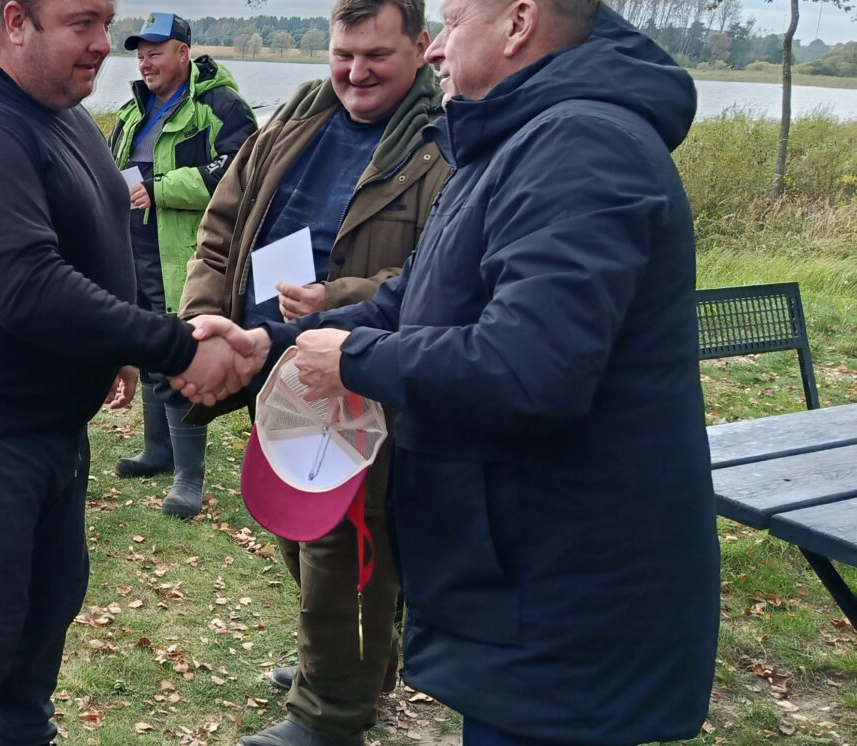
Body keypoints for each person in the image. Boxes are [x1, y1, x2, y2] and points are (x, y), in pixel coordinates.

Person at [183, 0, 721, 743]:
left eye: (454, 20)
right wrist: (268, 343)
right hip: (516, 574)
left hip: (564, 585)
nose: (435, 50)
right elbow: (409, 301)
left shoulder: (580, 147)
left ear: (519, 22)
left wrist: (354, 360)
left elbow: (530, 368)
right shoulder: (511, 139)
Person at [0, 0, 255, 743]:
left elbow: (90, 237)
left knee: (46, 613)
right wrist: (177, 348)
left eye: (106, 21)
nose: (103, 44)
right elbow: (28, 285)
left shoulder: (64, 114)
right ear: (17, 22)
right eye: (81, 23)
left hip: (50, 424)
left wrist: (115, 346)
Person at [177, 1, 450, 744]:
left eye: (377, 56)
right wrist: (203, 325)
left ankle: (329, 711)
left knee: (344, 537)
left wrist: (340, 298)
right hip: (268, 358)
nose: (355, 73)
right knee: (296, 525)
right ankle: (353, 665)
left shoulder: (441, 143)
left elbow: (439, 277)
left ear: (421, 46)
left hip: (360, 370)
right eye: (343, 54)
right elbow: (220, 231)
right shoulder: (296, 117)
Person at [109, 12, 257, 519]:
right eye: (140, 54)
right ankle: (158, 451)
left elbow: (241, 172)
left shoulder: (221, 105)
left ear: (183, 53)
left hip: (187, 257)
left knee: (179, 355)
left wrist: (160, 189)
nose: (145, 62)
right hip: (135, 250)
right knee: (148, 347)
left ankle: (189, 479)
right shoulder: (133, 110)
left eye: (155, 52)